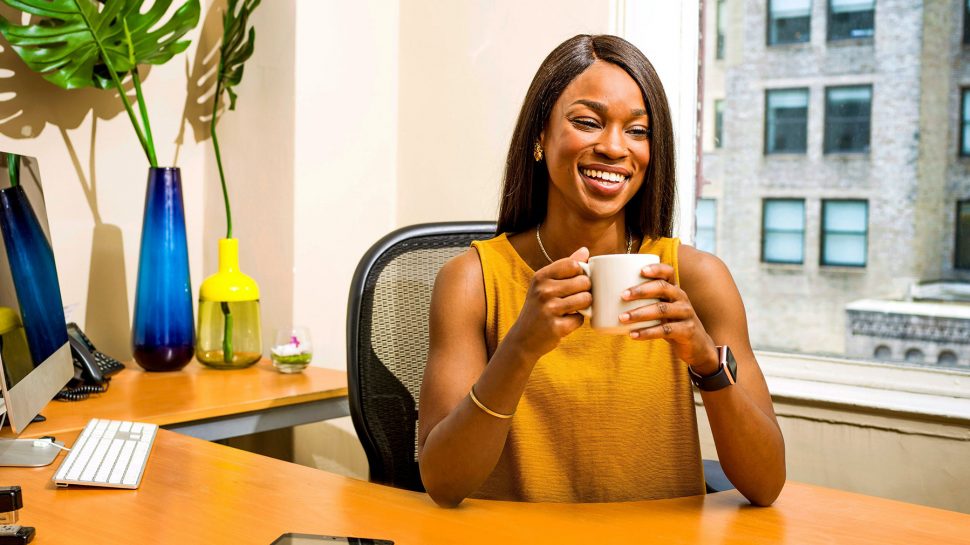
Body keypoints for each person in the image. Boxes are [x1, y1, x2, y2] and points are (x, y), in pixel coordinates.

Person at [417, 34, 785, 507]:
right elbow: (444, 483)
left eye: (637, 131)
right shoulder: (471, 281)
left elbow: (767, 483)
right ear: (539, 137)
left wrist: (707, 363)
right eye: (588, 122)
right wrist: (520, 348)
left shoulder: (697, 278)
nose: (614, 148)